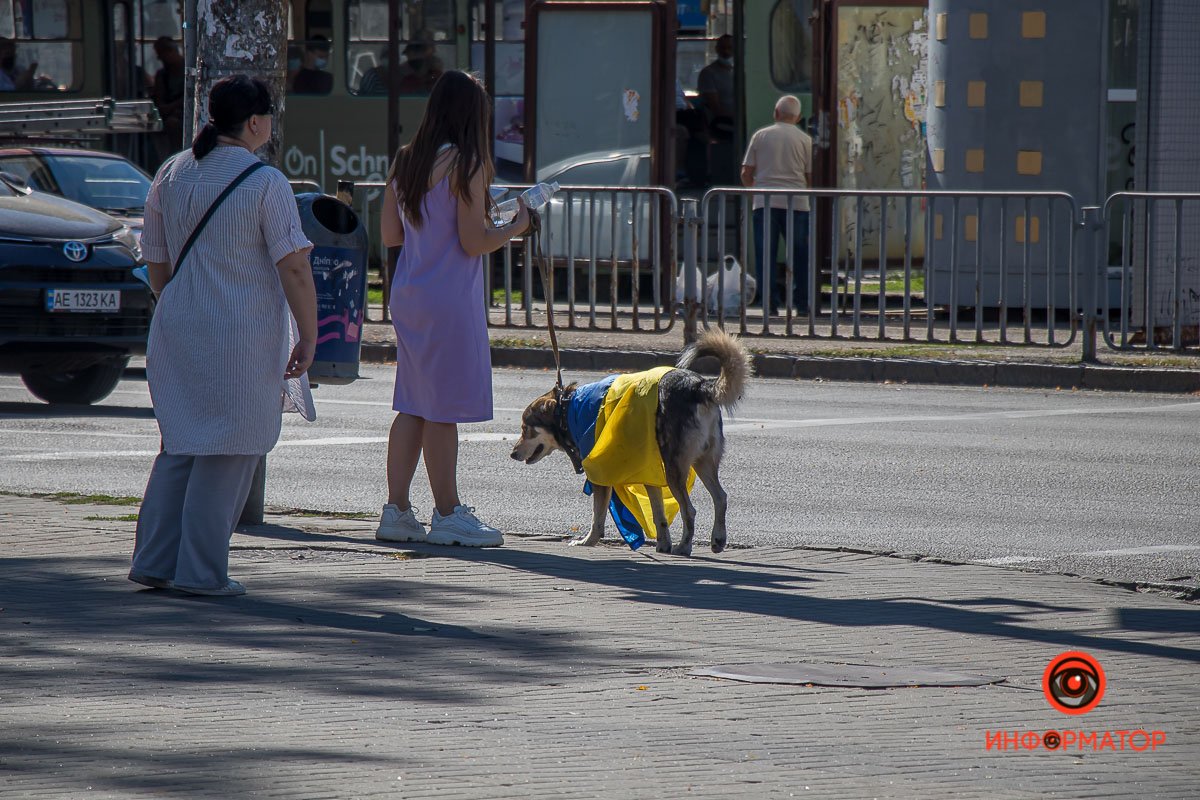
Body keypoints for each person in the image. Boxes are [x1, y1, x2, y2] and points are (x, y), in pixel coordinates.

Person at [130, 75, 318, 596]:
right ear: (255, 122)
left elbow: (157, 264)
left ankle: (154, 560)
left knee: (181, 444)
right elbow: (295, 268)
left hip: (177, 327)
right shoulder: (266, 183)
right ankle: (202, 573)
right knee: (232, 447)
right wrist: (308, 335)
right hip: (241, 334)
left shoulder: (171, 172)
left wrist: (183, 301)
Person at [375, 70, 529, 548]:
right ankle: (448, 513)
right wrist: (517, 224)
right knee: (442, 410)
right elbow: (473, 240)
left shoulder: (407, 161)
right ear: (473, 115)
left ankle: (397, 510)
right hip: (449, 298)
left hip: (410, 292)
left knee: (412, 403)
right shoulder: (471, 163)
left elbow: (390, 235)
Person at [741, 95, 813, 314]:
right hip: (798, 204)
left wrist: (755, 193)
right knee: (800, 256)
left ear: (775, 112)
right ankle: (802, 304)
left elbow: (746, 172)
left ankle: (769, 304)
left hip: (765, 202)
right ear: (798, 117)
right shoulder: (805, 140)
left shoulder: (760, 136)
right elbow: (809, 176)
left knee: (766, 255)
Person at [150, 37, 186, 167]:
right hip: (167, 115)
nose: (161, 60)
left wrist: (173, 107)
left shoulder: (187, 70)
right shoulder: (162, 75)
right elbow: (159, 98)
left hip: (183, 114)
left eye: (162, 55)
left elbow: (191, 96)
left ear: (171, 51)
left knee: (174, 124)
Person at [696, 34, 735, 142]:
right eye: (723, 48)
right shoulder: (708, 73)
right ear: (717, 49)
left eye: (730, 48)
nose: (726, 52)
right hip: (719, 122)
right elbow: (715, 108)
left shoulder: (740, 72)